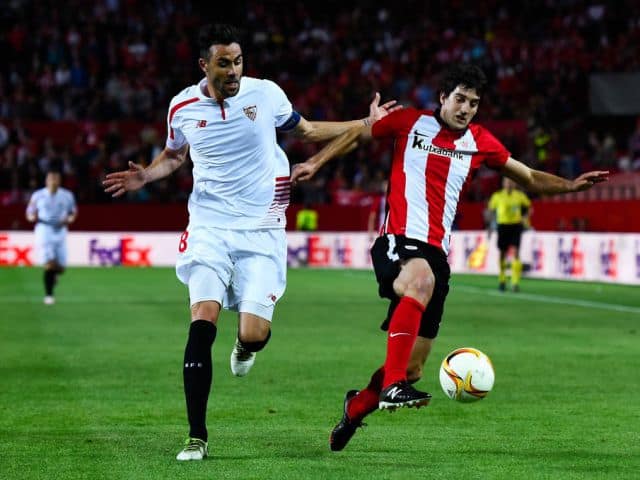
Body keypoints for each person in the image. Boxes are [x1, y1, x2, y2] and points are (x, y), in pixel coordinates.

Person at [102, 23, 400, 461]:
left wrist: (365, 122)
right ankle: (196, 436)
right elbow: (175, 155)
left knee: (254, 334)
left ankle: (246, 347)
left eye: (238, 61)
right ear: (205, 66)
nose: (234, 70)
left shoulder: (265, 94)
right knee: (202, 321)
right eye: (224, 63)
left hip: (262, 230)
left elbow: (309, 131)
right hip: (209, 228)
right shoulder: (181, 106)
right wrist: (146, 174)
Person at [291, 63, 608, 451]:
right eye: (460, 99)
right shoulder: (409, 122)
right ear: (443, 97)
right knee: (419, 285)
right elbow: (358, 133)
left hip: (438, 254)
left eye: (474, 103)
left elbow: (527, 176)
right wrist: (314, 163)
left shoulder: (481, 141)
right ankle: (391, 387)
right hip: (400, 238)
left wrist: (571, 186)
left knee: (413, 368)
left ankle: (356, 407)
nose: (466, 108)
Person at [25, 167, 78, 305]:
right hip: (44, 229)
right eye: (51, 178)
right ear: (46, 180)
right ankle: (49, 295)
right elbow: (30, 212)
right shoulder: (38, 195)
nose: (53, 181)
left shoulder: (67, 195)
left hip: (60, 230)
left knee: (61, 267)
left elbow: (73, 212)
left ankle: (55, 274)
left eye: (56, 178)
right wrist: (31, 217)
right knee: (49, 264)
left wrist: (70, 219)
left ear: (59, 181)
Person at [486, 176, 532, 292]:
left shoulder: (520, 196)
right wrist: (490, 227)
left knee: (516, 252)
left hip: (516, 226)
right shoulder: (497, 196)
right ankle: (502, 279)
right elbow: (491, 211)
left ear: (515, 184)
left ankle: (515, 282)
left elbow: (529, 208)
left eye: (511, 182)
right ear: (503, 184)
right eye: (507, 182)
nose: (509, 184)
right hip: (502, 226)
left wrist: (525, 218)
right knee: (502, 253)